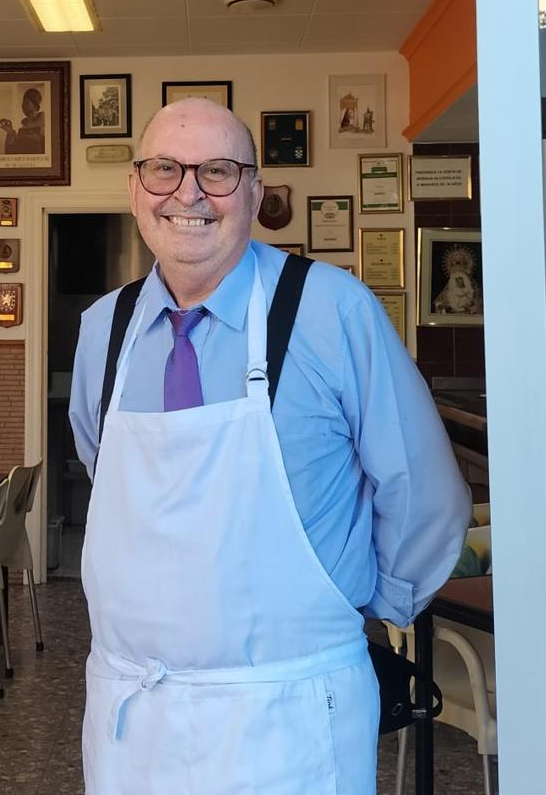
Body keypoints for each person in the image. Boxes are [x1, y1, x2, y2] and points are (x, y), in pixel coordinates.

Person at [68, 98, 470, 793]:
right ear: (135, 189)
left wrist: (367, 606)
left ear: (255, 192)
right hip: (132, 723)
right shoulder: (104, 329)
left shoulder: (332, 309)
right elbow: (103, 469)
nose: (188, 193)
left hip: (290, 715)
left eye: (218, 172)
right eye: (164, 169)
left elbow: (422, 489)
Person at [0, 87, 45, 155]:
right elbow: (15, 151)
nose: (23, 106)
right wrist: (10, 131)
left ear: (35, 105)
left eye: (26, 102)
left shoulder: (44, 123)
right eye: (23, 103)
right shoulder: (23, 127)